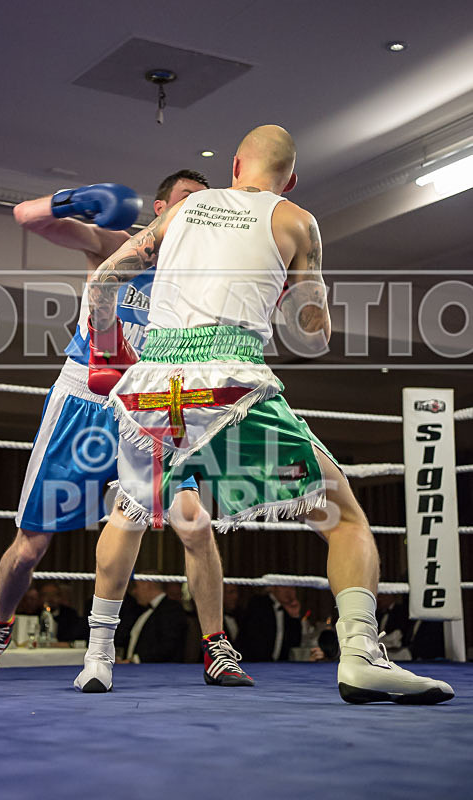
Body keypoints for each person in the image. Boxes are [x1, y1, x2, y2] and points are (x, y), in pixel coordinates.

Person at [79, 124, 454, 704]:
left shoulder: (185, 209)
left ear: (234, 166)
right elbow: (313, 334)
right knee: (346, 518)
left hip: (147, 389)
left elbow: (105, 280)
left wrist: (106, 347)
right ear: (291, 180)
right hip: (229, 384)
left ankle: (97, 657)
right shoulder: (295, 220)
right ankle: (360, 656)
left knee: (128, 511)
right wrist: (294, 293)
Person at [0, 170, 252, 688]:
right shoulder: (119, 245)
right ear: (161, 208)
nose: (196, 210)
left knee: (196, 524)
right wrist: (73, 201)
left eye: (205, 204)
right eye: (187, 199)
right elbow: (26, 218)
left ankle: (216, 645)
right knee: (31, 543)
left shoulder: (201, 277)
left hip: (152, 407)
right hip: (86, 401)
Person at [122, 578, 187, 663]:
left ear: (147, 585)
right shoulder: (143, 610)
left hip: (158, 672)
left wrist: (134, 660)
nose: (134, 591)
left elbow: (167, 647)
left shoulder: (171, 608)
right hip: (138, 671)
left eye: (136, 586)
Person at [237, 586, 302, 661]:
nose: (288, 591)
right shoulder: (258, 603)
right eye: (283, 587)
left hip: (279, 666)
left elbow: (295, 644)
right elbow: (254, 641)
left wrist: (294, 616)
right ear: (273, 588)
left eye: (292, 588)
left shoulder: (288, 609)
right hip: (254, 664)